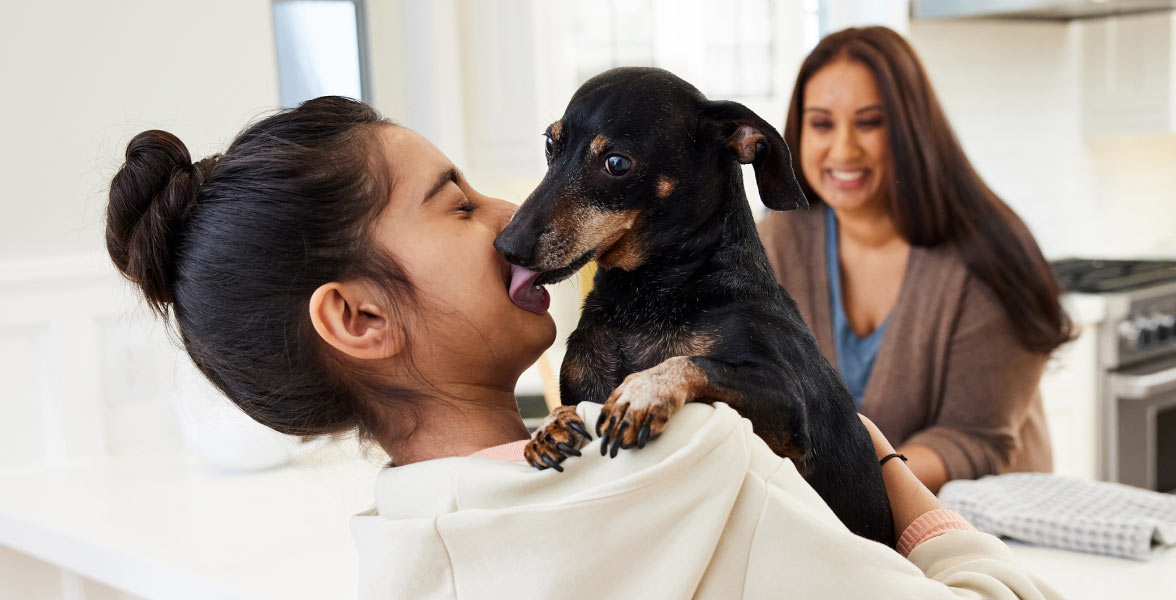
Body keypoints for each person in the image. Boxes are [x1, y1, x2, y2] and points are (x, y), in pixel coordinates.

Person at [105, 96, 1060, 598]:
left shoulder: (401, 544)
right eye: (458, 200)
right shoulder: (696, 464)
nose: (512, 218)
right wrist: (881, 464)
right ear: (358, 319)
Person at [758, 27, 1070, 493]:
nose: (843, 149)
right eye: (822, 124)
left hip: (985, 536)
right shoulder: (777, 240)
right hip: (845, 528)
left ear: (909, 128)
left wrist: (852, 482)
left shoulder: (988, 256)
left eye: (869, 123)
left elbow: (974, 440)